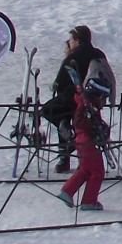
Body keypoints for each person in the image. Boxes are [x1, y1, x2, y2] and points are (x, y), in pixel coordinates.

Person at [44, 26, 115, 173]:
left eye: (70, 40)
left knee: (51, 112)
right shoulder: (98, 53)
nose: (68, 42)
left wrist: (67, 57)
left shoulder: (74, 56)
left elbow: (59, 83)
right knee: (86, 127)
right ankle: (83, 159)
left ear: (77, 40)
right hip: (93, 98)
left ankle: (65, 155)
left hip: (72, 97)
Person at [58, 75, 111, 212]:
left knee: (85, 169)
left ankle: (67, 191)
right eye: (104, 98)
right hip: (88, 142)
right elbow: (80, 123)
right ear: (98, 96)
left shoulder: (90, 106)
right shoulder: (87, 108)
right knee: (97, 171)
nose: (104, 102)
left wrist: (102, 128)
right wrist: (94, 129)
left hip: (84, 142)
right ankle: (89, 201)